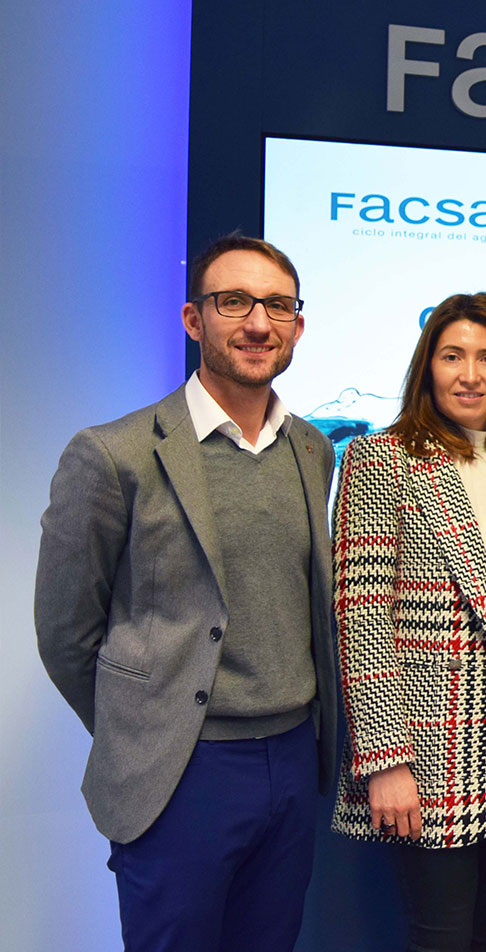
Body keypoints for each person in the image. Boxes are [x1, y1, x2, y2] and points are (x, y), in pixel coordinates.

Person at [34, 234, 338, 951]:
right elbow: (65, 634)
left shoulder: (314, 449)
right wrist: (148, 728)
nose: (258, 323)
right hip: (183, 771)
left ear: (297, 323)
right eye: (233, 302)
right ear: (193, 319)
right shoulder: (115, 454)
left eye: (276, 305)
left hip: (292, 763)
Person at [328, 292, 486, 952]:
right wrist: (385, 760)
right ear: (427, 367)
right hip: (432, 740)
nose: (470, 374)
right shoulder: (380, 460)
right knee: (440, 936)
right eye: (453, 356)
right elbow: (362, 617)